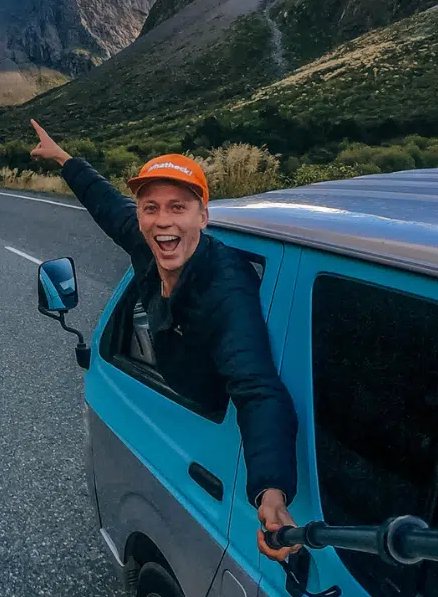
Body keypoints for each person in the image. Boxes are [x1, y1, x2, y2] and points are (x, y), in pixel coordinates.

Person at [30, 120, 300, 563]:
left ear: (203, 216)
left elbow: (257, 388)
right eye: (150, 207)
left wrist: (271, 492)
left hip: (205, 412)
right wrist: (64, 159)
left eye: (178, 207)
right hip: (176, 387)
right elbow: (105, 203)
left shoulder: (225, 288)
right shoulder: (148, 242)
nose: (162, 221)